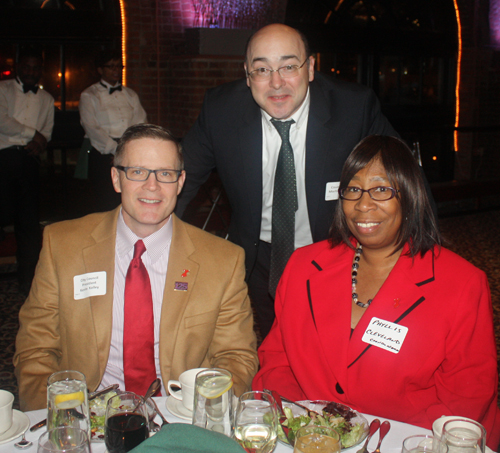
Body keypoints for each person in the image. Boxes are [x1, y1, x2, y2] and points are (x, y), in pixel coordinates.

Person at [252, 135, 500, 449]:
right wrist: (307, 420)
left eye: (381, 189)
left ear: (409, 197)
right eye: (353, 189)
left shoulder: (462, 284)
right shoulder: (304, 267)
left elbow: (467, 396)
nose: (363, 204)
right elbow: (276, 360)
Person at [14, 124, 258, 412]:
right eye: (137, 171)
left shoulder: (222, 260)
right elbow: (36, 350)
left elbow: (236, 357)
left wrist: (204, 416)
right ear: (116, 178)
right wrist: (63, 418)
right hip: (85, 413)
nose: (151, 186)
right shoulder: (63, 246)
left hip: (181, 417)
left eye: (165, 174)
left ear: (180, 183)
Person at [176, 23, 398, 338]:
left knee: (333, 343)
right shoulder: (221, 109)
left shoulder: (353, 107)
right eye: (262, 69)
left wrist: (422, 255)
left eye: (288, 66)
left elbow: (403, 178)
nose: (276, 82)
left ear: (310, 68)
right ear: (247, 74)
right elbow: (177, 180)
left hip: (334, 251)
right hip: (260, 256)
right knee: (271, 342)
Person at [0, 47, 54, 296]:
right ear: (18, 66)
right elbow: (3, 121)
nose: (32, 72)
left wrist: (39, 141)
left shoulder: (47, 99)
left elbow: (48, 130)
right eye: (27, 66)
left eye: (36, 68)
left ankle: (27, 279)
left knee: (28, 224)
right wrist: (33, 134)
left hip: (29, 161)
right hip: (3, 158)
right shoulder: (3, 89)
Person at [77, 50, 147, 211]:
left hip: (129, 151)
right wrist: (116, 150)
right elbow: (92, 127)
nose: (116, 70)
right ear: (100, 70)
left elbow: (140, 123)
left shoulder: (130, 94)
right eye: (111, 66)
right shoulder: (89, 95)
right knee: (106, 202)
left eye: (119, 66)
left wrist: (128, 149)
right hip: (103, 152)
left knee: (130, 199)